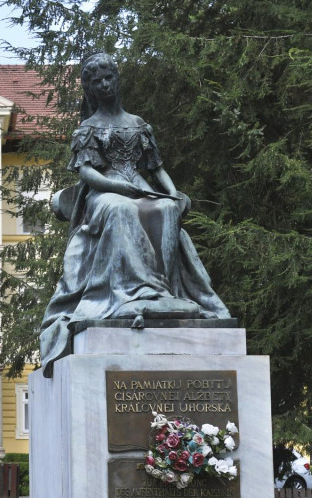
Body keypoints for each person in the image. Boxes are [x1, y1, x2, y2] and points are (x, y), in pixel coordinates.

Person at [40, 53, 230, 375]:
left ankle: (162, 293)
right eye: (97, 81)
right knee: (121, 209)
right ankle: (134, 292)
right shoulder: (88, 128)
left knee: (167, 210)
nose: (105, 84)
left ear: (116, 78)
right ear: (90, 87)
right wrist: (115, 186)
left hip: (141, 186)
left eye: (109, 77)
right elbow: (86, 173)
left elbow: (157, 169)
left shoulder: (138, 124)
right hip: (103, 193)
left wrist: (173, 194)